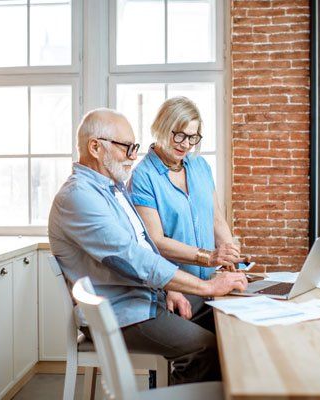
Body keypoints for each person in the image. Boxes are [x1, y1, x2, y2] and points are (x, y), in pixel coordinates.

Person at [48, 108, 248, 384]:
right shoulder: (78, 197)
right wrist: (206, 286)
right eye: (126, 148)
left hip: (144, 301)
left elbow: (143, 246)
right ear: (95, 147)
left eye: (134, 148)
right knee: (208, 347)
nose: (133, 155)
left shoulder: (112, 189)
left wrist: (170, 287)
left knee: (225, 320)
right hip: (122, 314)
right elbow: (131, 259)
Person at [129, 97, 244, 320]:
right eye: (179, 135)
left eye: (192, 137)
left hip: (212, 284)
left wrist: (230, 258)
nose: (186, 144)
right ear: (162, 128)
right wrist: (209, 257)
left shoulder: (200, 166)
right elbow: (156, 242)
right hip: (178, 289)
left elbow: (216, 220)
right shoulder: (144, 176)